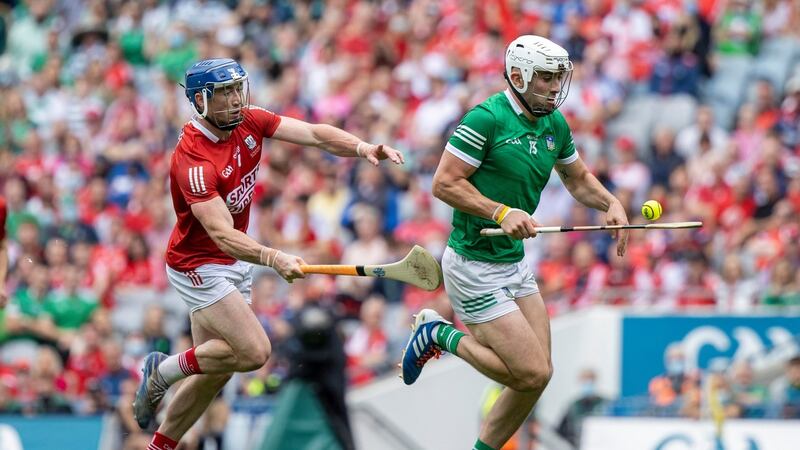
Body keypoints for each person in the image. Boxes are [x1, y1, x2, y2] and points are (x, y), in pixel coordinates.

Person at [132, 58, 404, 450]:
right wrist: (274, 258)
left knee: (215, 371)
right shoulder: (192, 160)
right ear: (200, 101)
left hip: (233, 260)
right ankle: (163, 369)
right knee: (254, 351)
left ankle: (160, 445)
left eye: (235, 89)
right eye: (222, 93)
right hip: (199, 264)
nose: (234, 99)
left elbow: (313, 134)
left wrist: (362, 147)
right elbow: (222, 235)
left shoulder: (249, 120)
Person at [400, 36, 629, 450]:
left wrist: (610, 202)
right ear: (520, 75)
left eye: (558, 78)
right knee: (530, 374)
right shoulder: (486, 119)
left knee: (538, 376)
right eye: (545, 78)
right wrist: (501, 212)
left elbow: (577, 179)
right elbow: (444, 183)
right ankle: (438, 333)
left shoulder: (554, 123)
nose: (554, 87)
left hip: (513, 262)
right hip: (473, 262)